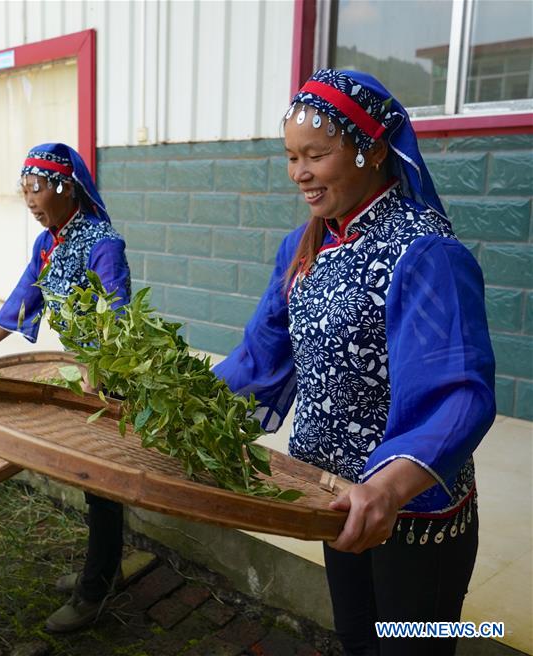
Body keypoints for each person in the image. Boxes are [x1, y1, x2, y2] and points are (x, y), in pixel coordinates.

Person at [213, 69, 496, 656]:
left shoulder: (424, 252)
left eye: (316, 155)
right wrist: (180, 400)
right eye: (292, 157)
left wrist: (388, 488)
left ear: (373, 149)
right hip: (333, 495)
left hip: (411, 511)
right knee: (357, 638)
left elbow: (460, 393)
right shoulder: (302, 247)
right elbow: (261, 357)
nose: (299, 173)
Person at [0, 142, 131, 633]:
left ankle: (94, 591)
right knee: (94, 482)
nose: (30, 199)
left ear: (65, 188)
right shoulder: (47, 243)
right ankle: (106, 570)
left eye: (36, 188)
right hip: (84, 374)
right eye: (24, 189)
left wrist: (98, 366)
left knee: (101, 481)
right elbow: (21, 298)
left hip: (110, 376)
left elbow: (118, 315)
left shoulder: (103, 242)